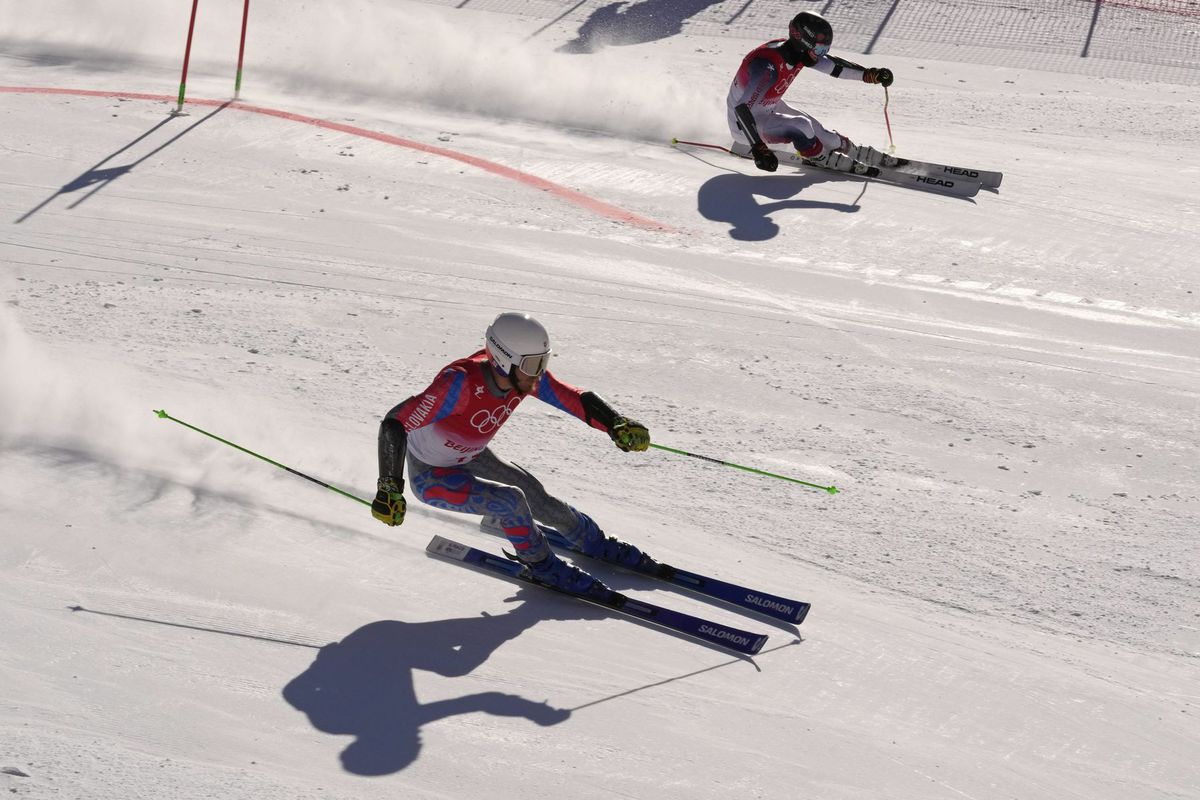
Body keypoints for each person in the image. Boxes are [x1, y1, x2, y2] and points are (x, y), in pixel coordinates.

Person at [370, 312, 651, 598]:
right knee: (511, 502)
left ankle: (593, 542)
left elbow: (573, 398)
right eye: (533, 364)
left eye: (544, 361)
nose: (539, 372)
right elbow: (395, 422)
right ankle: (541, 565)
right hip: (431, 474)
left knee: (536, 496)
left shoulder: (523, 377)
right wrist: (389, 487)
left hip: (472, 456)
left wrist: (615, 422)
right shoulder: (460, 384)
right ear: (504, 360)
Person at [727, 11, 894, 172]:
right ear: (804, 42)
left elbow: (834, 67)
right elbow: (742, 109)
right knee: (801, 125)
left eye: (824, 50)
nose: (820, 55)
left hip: (767, 106)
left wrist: (871, 75)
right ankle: (820, 157)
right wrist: (758, 147)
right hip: (743, 125)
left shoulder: (799, 53)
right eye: (820, 50)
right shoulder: (767, 66)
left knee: (821, 132)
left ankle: (850, 149)